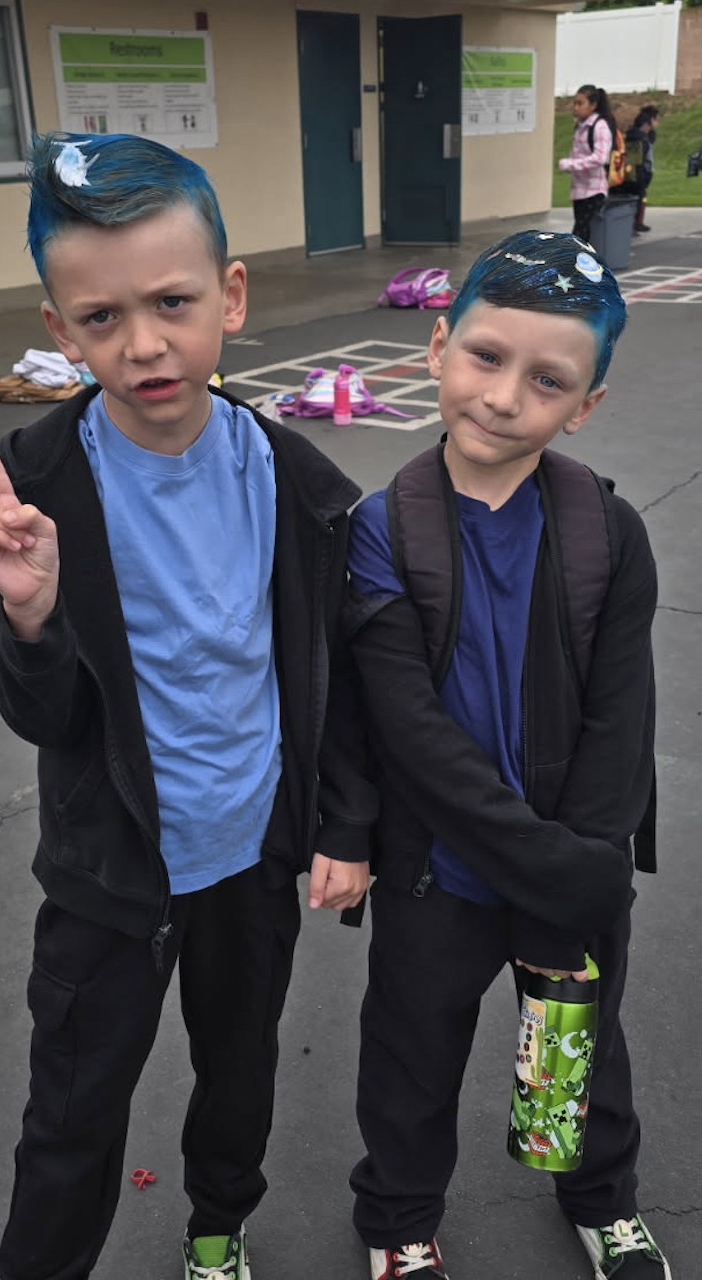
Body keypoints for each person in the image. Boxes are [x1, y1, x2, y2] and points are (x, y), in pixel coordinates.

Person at [0, 131, 373, 1280]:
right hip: (109, 871)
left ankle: (217, 1229)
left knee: (239, 1069)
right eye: (101, 317)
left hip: (250, 856)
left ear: (229, 296)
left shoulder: (300, 486)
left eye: (173, 301)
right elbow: (47, 719)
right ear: (60, 329)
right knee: (70, 1105)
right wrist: (33, 617)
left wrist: (342, 824)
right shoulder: (35, 491)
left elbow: (336, 681)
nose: (142, 343)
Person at [346, 230, 670, 1280]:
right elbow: (409, 730)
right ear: (438, 344)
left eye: (547, 380)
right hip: (437, 874)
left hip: (575, 865)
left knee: (584, 1048)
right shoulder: (381, 530)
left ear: (584, 405)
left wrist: (583, 870)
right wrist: (546, 864)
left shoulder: (609, 533)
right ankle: (399, 1219)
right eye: (486, 356)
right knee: (412, 1054)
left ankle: (602, 1199)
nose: (502, 396)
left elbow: (621, 721)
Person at [558, 84, 617, 244]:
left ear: (593, 105)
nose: (576, 108)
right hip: (579, 190)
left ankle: (575, 259)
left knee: (580, 236)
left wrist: (571, 164)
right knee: (582, 235)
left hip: (593, 190)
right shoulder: (580, 126)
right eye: (574, 103)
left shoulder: (600, 126)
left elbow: (601, 157)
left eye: (580, 103)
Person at [623, 105, 660, 234]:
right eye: (656, 119)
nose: (657, 123)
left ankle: (632, 223)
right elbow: (647, 161)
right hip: (640, 174)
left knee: (630, 198)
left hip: (628, 173)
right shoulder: (643, 140)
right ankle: (636, 224)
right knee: (639, 198)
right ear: (650, 121)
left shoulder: (629, 136)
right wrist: (647, 175)